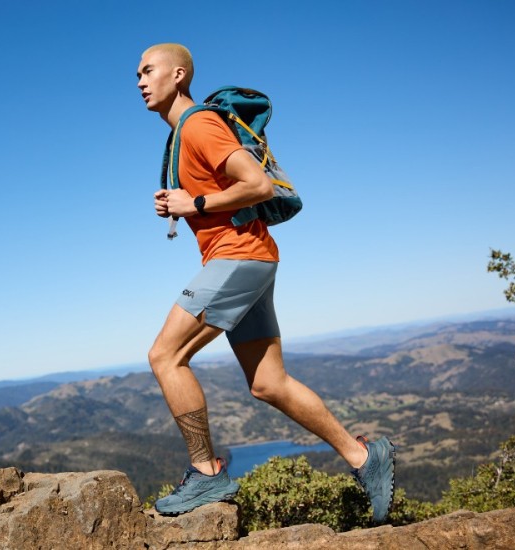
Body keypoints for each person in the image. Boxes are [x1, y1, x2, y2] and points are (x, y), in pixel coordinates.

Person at [136, 43, 395, 521]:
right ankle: (364, 457)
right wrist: (187, 199)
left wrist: (190, 205)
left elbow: (258, 185)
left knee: (165, 355)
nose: (140, 81)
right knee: (269, 383)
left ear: (179, 75)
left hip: (238, 258)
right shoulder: (182, 136)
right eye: (137, 74)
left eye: (148, 71)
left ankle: (207, 474)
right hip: (249, 259)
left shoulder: (198, 123)